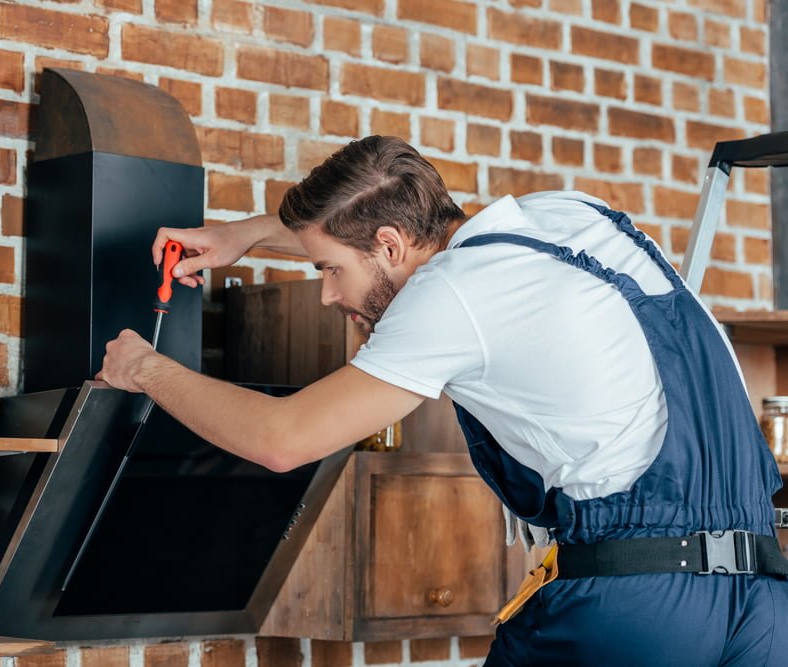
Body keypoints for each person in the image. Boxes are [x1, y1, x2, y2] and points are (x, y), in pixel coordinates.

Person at [95, 135, 788, 665]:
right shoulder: (563, 215)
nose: (329, 295)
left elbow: (285, 437)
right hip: (762, 601)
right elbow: (365, 228)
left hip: (638, 610)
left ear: (392, 245)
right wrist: (247, 235)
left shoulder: (449, 293)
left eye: (328, 271)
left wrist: (146, 368)